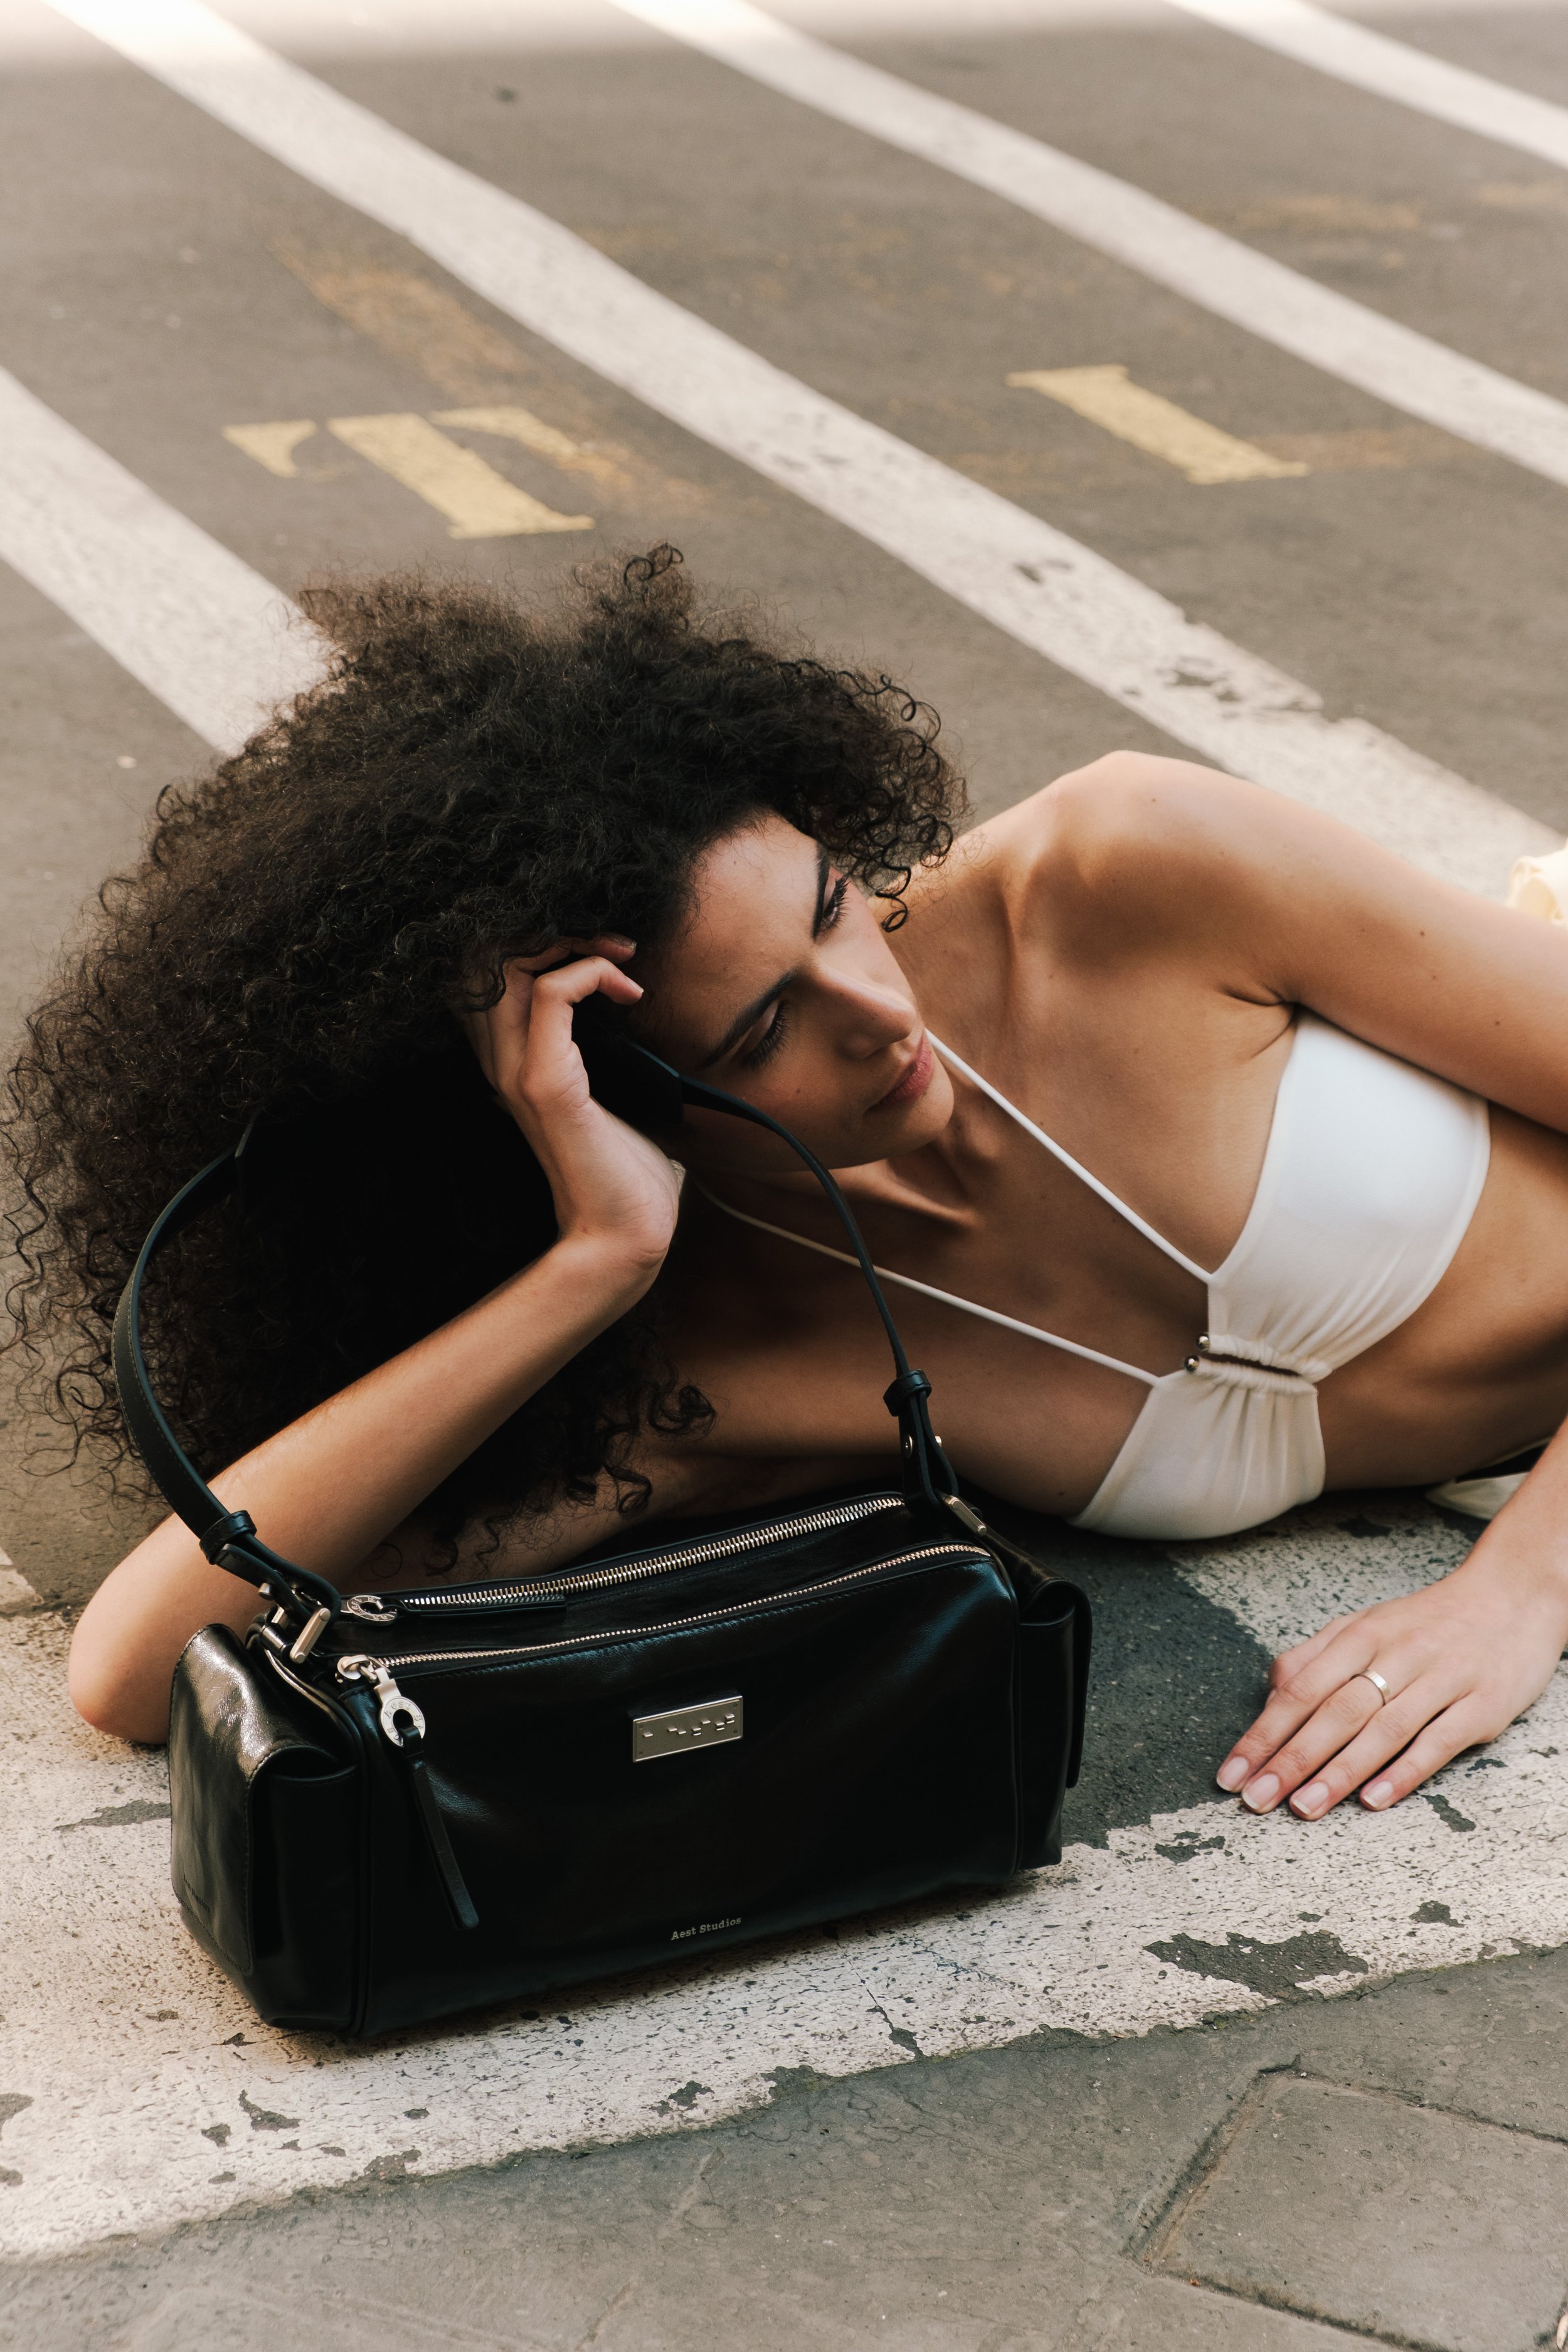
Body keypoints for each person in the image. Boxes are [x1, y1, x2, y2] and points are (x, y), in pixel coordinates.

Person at [14, 550, 1568, 1829]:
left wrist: (1517, 1593)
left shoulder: (1123, 877)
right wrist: (595, 1263)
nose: (880, 1013)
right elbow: (143, 1667)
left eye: (837, 908)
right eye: (764, 1030)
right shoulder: (718, 1380)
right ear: (615, 1105)